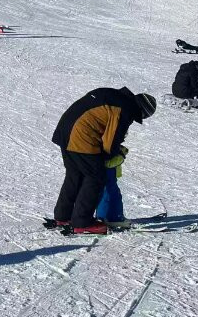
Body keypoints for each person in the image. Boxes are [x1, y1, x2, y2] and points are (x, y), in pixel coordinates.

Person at [50, 88, 156, 234]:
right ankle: (82, 222)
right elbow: (111, 141)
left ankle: (63, 216)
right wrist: (113, 154)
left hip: (65, 132)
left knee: (75, 175)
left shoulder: (115, 96)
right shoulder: (125, 108)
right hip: (81, 137)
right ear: (142, 111)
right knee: (96, 177)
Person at [95, 145, 129, 227]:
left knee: (111, 192)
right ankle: (108, 218)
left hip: (109, 167)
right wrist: (121, 155)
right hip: (107, 167)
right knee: (108, 193)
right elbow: (107, 162)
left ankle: (112, 216)